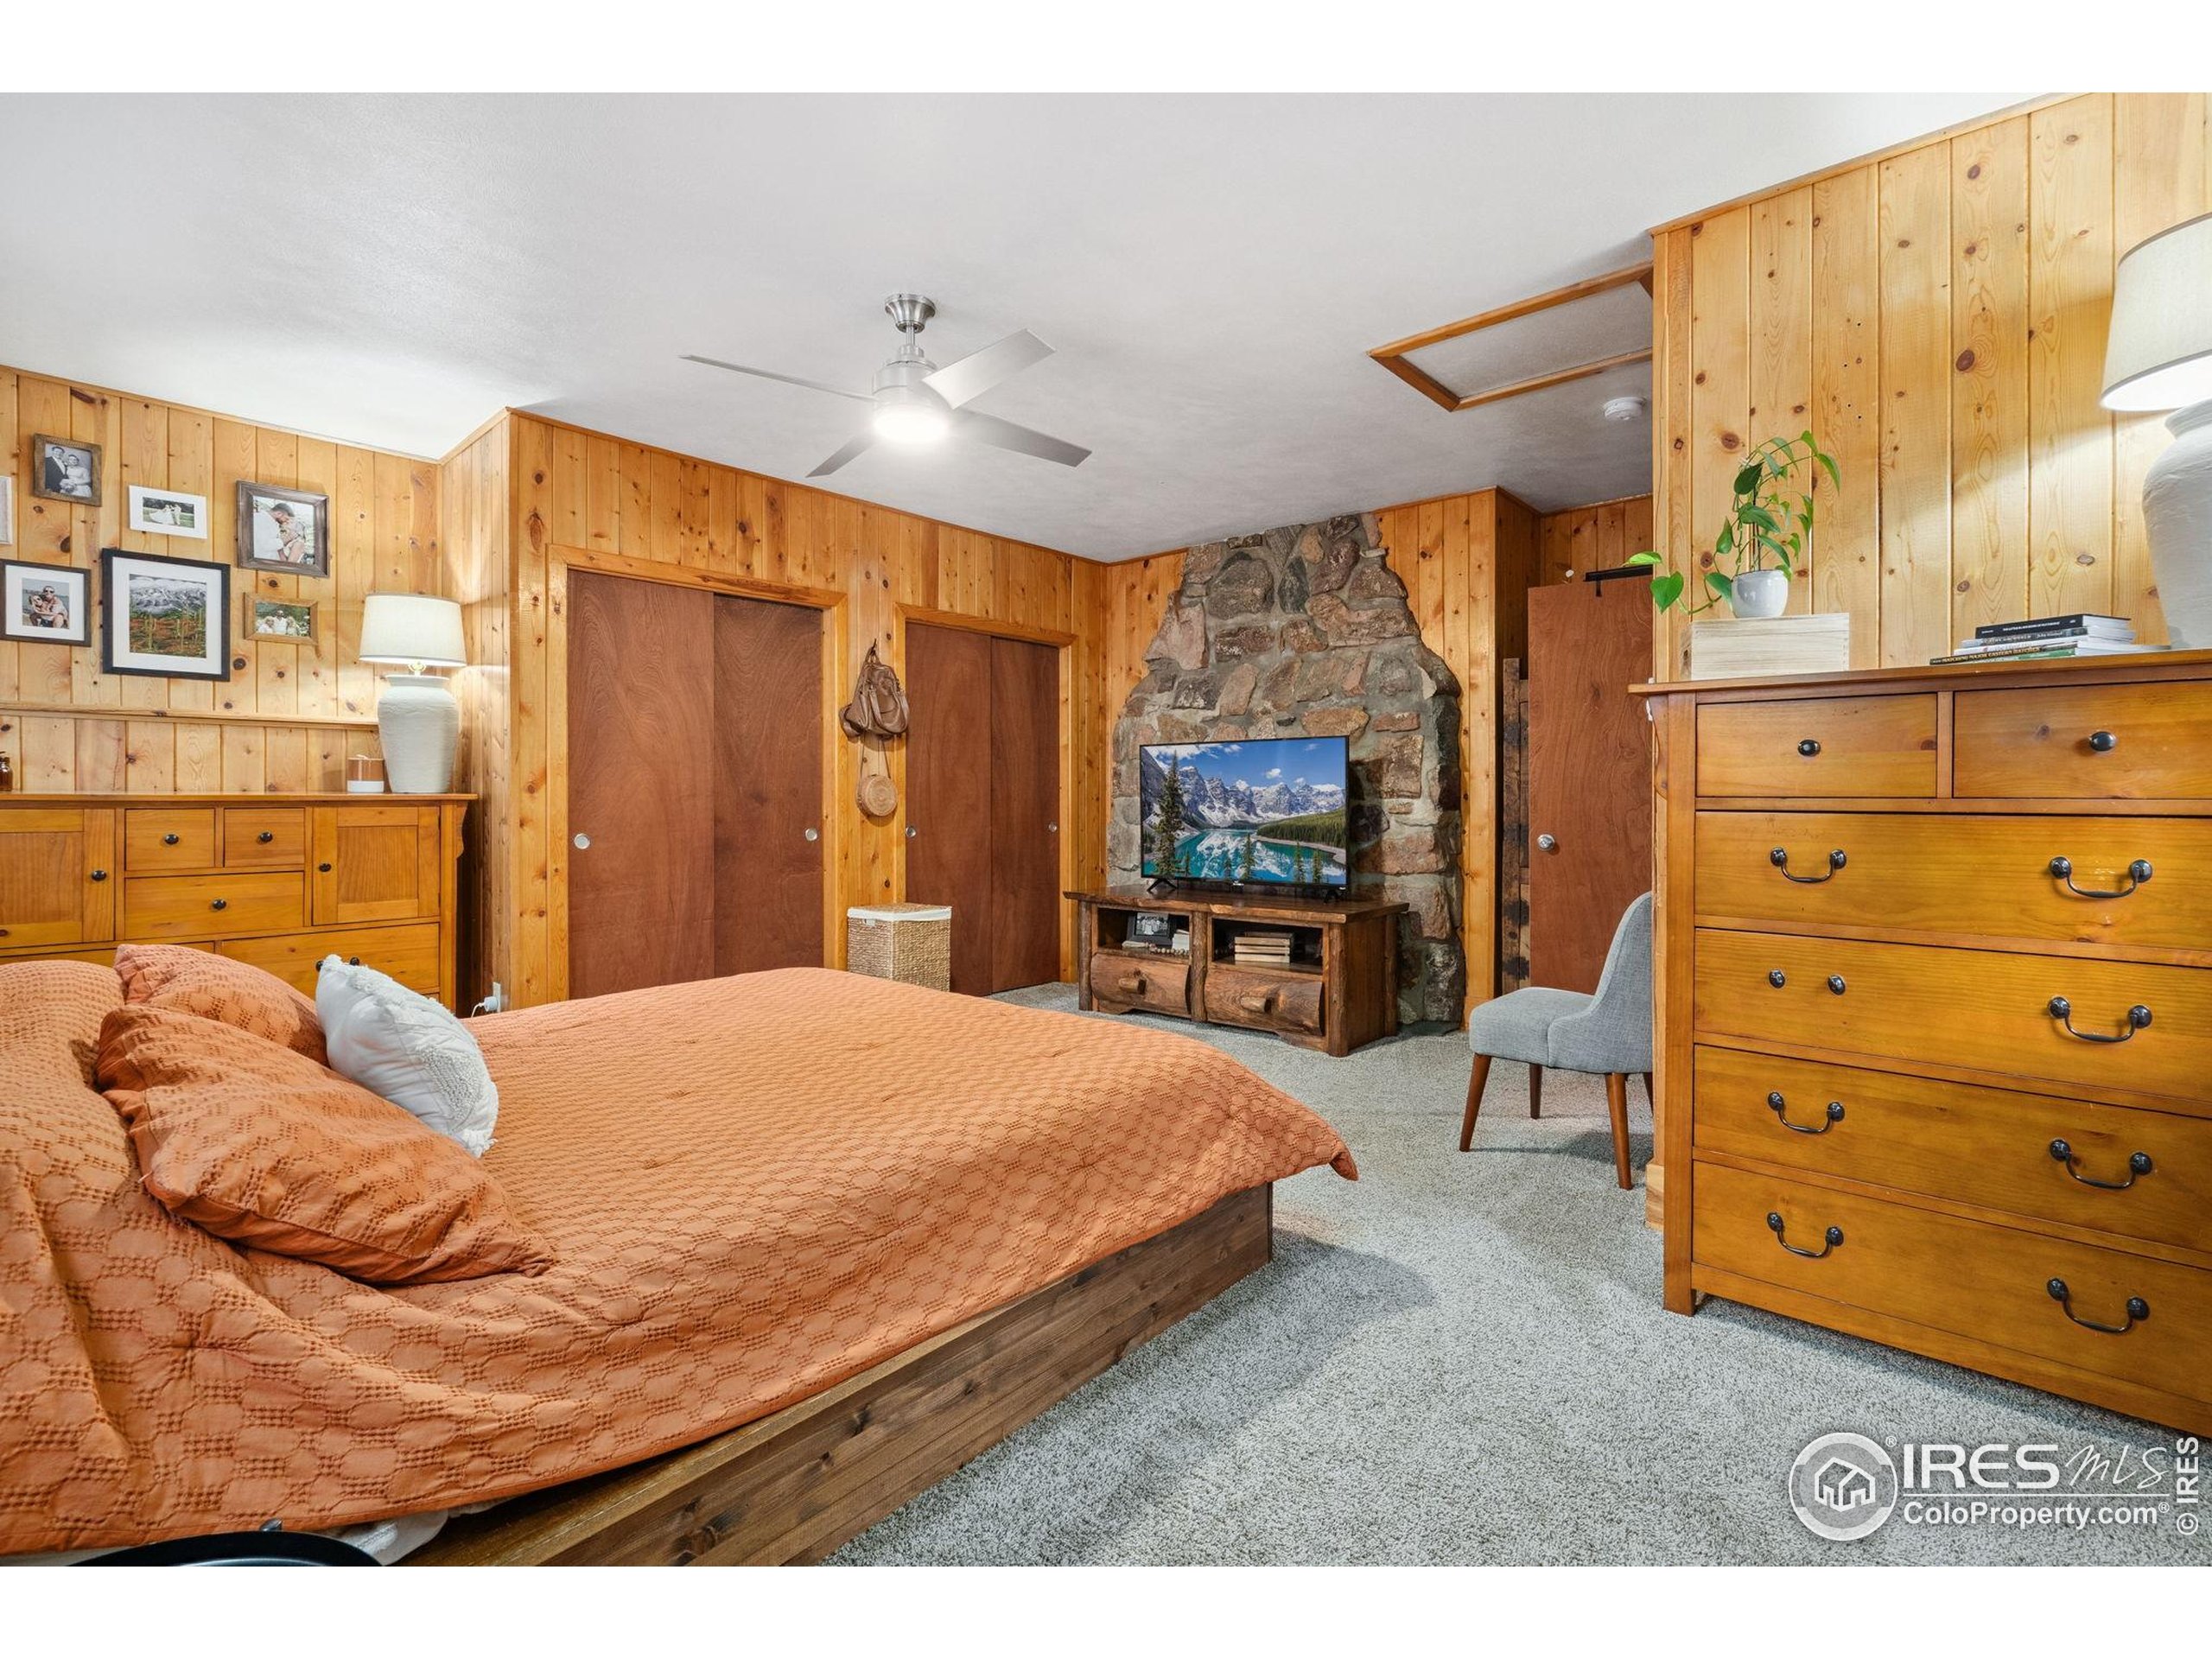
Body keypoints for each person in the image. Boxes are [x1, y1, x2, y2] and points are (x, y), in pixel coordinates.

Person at [261, 499, 312, 564]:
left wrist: (280, 550)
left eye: (291, 522)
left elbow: (289, 565)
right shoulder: (286, 539)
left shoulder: (299, 544)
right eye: (288, 520)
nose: (287, 521)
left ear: (297, 529)